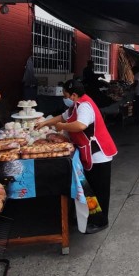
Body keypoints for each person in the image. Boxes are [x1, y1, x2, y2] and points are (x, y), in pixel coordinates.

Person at [43, 79, 117, 234]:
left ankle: (101, 221)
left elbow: (80, 125)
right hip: (88, 151)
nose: (64, 98)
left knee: (99, 190)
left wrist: (62, 127)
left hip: (98, 154)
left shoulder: (85, 106)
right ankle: (92, 216)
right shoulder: (76, 104)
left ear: (74, 95)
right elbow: (63, 117)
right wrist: (45, 123)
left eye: (65, 95)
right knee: (89, 189)